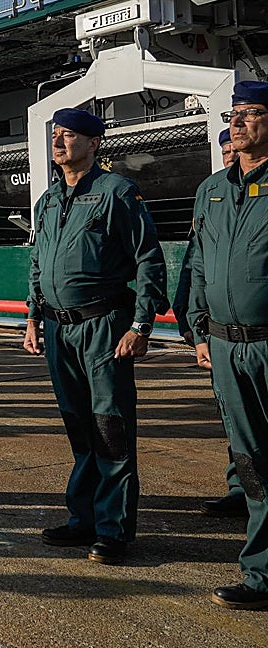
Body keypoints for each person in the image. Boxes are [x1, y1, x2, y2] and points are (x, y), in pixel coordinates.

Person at [24, 108, 167, 565]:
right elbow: (37, 262)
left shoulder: (117, 192)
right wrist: (32, 317)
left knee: (111, 428)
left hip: (104, 325)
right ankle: (82, 518)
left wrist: (141, 324)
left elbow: (148, 259)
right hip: (56, 327)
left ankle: (113, 529)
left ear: (94, 143)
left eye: (70, 135)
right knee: (79, 426)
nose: (60, 141)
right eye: (57, 135)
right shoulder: (48, 199)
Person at [188, 81, 268, 609]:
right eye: (234, 114)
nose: (237, 123)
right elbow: (198, 262)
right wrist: (199, 327)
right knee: (252, 463)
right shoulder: (212, 189)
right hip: (224, 345)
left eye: (251, 114)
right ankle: (261, 574)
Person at [172, 127, 247, 520]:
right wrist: (191, 317)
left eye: (234, 147)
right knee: (233, 416)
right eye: (225, 150)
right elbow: (196, 259)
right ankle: (242, 488)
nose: (231, 154)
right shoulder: (212, 191)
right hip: (219, 331)